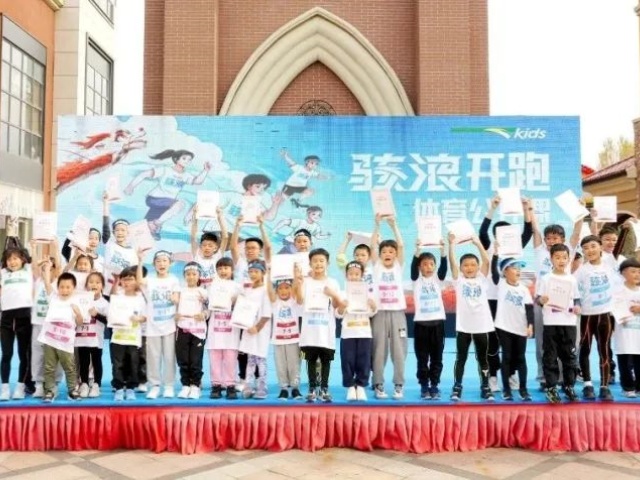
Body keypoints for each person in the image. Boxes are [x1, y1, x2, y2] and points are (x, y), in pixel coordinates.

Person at [479, 195, 533, 393]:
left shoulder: (514, 249)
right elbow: (482, 231)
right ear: (495, 235)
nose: (505, 235)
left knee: (515, 344)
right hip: (491, 300)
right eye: (500, 233)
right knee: (492, 342)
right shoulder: (489, 246)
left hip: (510, 303)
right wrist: (492, 208)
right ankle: (493, 375)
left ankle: (511, 375)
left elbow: (528, 231)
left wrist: (526, 208)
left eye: (508, 233)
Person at [531, 211, 582, 390]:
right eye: (548, 238)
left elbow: (577, 232)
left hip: (566, 304)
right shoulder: (540, 252)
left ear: (563, 240)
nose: (551, 241)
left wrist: (580, 211)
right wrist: (529, 209)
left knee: (568, 343)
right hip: (543, 302)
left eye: (555, 238)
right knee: (543, 342)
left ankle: (564, 377)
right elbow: (535, 230)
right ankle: (544, 377)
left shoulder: (567, 251)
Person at [124, 149, 211, 240]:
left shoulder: (186, 175)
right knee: (180, 204)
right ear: (176, 159)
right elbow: (144, 174)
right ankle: (157, 223)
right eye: (184, 158)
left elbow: (197, 181)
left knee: (149, 221)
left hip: (167, 203)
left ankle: (150, 229)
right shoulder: (166, 170)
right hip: (154, 198)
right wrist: (131, 186)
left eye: (189, 160)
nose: (187, 161)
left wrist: (205, 170)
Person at [448, 233, 495, 402]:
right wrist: (451, 244)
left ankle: (485, 387)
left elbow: (487, 261)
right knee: (461, 358)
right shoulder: (459, 281)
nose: (469, 268)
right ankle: (457, 386)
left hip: (481, 326)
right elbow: (452, 263)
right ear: (461, 268)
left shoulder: (482, 279)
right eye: (466, 265)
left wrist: (477, 243)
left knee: (482, 358)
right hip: (464, 327)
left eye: (473, 265)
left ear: (477, 267)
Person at [535, 244, 581, 403]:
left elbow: (577, 299)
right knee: (550, 356)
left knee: (570, 357)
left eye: (564, 257)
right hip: (551, 323)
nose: (561, 260)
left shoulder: (572, 279)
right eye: (558, 257)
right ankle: (551, 388)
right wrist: (541, 300)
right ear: (551, 259)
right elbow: (538, 299)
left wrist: (578, 307)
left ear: (569, 259)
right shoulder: (546, 278)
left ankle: (569, 386)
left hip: (569, 323)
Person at [295, 248, 342, 402]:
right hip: (309, 330)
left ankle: (324, 388)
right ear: (310, 263)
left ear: (327, 263)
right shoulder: (305, 281)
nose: (318, 263)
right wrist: (298, 284)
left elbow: (337, 306)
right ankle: (312, 388)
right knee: (310, 360)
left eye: (321, 261)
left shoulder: (332, 282)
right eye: (315, 261)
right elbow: (299, 301)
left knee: (326, 360)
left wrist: (333, 294)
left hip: (326, 330)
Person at [574, 235, 616, 401]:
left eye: (593, 246)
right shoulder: (581, 270)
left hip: (605, 315)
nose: (589, 250)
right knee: (585, 349)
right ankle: (587, 384)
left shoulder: (610, 265)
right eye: (585, 248)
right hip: (587, 316)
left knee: (604, 350)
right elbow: (573, 290)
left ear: (600, 247)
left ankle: (604, 386)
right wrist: (576, 304)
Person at [370, 214, 407, 400]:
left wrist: (394, 226)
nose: (388, 254)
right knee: (379, 349)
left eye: (391, 252)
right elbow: (372, 245)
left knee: (399, 349)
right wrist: (377, 224)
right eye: (384, 251)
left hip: (398, 313)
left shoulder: (398, 266)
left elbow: (401, 245)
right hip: (379, 313)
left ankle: (398, 385)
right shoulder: (377, 266)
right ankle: (378, 383)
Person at [137, 250, 180, 399]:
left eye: (164, 261)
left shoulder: (174, 279)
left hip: (169, 326)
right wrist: (140, 260)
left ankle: (169, 386)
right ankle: (154, 386)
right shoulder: (150, 279)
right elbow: (139, 281)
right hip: (152, 326)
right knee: (153, 357)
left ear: (170, 264)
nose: (162, 264)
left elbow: (177, 296)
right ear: (154, 264)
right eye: (158, 261)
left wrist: (175, 299)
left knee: (169, 357)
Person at [491, 255, 534, 401]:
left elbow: (529, 309)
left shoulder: (524, 289)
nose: (518, 271)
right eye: (514, 268)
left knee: (521, 358)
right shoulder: (501, 284)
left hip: (520, 328)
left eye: (519, 268)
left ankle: (523, 389)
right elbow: (494, 271)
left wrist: (530, 325)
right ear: (505, 271)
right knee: (507, 357)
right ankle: (507, 390)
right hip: (504, 327)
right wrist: (495, 254)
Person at [39, 271, 86, 402]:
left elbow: (80, 323)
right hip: (49, 340)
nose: (64, 290)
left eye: (68, 287)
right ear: (58, 287)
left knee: (69, 367)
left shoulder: (77, 303)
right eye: (62, 287)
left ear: (74, 288)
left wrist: (78, 314)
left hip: (65, 342)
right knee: (49, 367)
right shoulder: (53, 298)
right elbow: (47, 284)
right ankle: (50, 390)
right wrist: (47, 269)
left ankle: (72, 390)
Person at [410, 240, 447, 400]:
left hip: (438, 325)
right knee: (422, 358)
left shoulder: (437, 280)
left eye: (432, 264)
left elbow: (444, 269)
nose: (429, 267)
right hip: (421, 326)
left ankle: (434, 385)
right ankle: (424, 385)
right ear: (420, 267)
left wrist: (443, 250)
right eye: (425, 264)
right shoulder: (416, 281)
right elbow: (412, 268)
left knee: (437, 358)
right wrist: (418, 249)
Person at [335, 261, 377, 402]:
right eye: (350, 274)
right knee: (347, 360)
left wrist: (373, 306)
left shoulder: (368, 292)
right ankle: (350, 387)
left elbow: (371, 313)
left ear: (362, 275)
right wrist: (342, 307)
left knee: (364, 360)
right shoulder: (342, 293)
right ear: (346, 275)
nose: (353, 277)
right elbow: (338, 314)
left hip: (364, 332)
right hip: (348, 333)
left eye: (356, 274)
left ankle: (361, 386)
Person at [0, 246, 34, 400]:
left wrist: (34, 246)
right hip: (6, 317)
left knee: (23, 354)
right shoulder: (3, 273)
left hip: (24, 316)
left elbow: (35, 258)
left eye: (15, 258)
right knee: (6, 354)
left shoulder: (28, 270)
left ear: (22, 260)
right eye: (9, 259)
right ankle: (5, 388)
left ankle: (20, 386)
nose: (12, 262)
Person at [206, 257, 242, 399]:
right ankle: (216, 385)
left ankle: (230, 385)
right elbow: (206, 307)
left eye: (226, 268)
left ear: (232, 270)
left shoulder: (237, 287)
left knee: (230, 359)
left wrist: (236, 301)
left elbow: (243, 307)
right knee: (214, 359)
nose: (223, 271)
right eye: (220, 268)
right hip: (214, 330)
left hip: (231, 331)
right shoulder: (211, 286)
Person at [109, 266, 147, 401]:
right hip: (118, 337)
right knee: (117, 364)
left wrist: (139, 318)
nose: (127, 282)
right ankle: (119, 388)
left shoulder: (140, 298)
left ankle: (131, 388)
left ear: (136, 281)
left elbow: (145, 316)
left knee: (133, 364)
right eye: (124, 279)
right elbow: (112, 301)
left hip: (133, 337)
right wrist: (115, 281)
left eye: (130, 279)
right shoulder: (117, 296)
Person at [266, 272, 303, 401]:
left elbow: (298, 291)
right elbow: (269, 291)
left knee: (294, 364)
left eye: (287, 288)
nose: (283, 291)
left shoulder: (295, 302)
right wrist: (269, 273)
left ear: (291, 289)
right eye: (280, 288)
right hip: (278, 340)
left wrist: (296, 275)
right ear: (276, 290)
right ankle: (283, 388)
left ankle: (295, 388)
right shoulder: (275, 303)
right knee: (280, 365)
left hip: (294, 339)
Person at [239, 260, 272, 400]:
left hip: (260, 330)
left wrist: (257, 327)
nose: (253, 274)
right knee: (250, 358)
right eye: (251, 272)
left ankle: (262, 387)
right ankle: (248, 386)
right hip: (248, 329)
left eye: (256, 272)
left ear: (263, 273)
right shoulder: (248, 290)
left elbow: (267, 314)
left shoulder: (265, 290)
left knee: (260, 358)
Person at [31, 252, 63, 398]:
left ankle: (54, 384)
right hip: (38, 323)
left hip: (55, 325)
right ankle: (38, 384)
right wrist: (33, 248)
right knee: (38, 355)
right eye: (45, 267)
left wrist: (55, 245)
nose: (48, 269)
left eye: (51, 267)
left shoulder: (59, 283)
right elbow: (34, 267)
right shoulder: (37, 281)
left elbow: (60, 266)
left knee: (56, 355)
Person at [175, 262, 208, 400]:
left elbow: (209, 309)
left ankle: (195, 386)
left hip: (198, 330)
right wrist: (175, 315)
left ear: (199, 276)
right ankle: (185, 385)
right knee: (183, 359)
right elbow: (174, 307)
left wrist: (204, 314)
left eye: (194, 274)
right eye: (188, 274)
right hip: (183, 328)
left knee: (195, 359)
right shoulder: (180, 291)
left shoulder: (204, 292)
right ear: (184, 276)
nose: (191, 277)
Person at [76, 272, 108, 398]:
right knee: (83, 361)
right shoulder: (80, 301)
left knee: (96, 361)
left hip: (96, 339)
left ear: (102, 286)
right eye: (91, 282)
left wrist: (97, 315)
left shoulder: (104, 303)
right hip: (82, 337)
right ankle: (84, 383)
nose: (94, 284)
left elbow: (108, 321)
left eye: (98, 282)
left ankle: (96, 384)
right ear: (86, 285)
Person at [612, 258, 640, 397]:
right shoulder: (618, 291)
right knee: (624, 361)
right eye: (633, 271)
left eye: (639, 272)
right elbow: (614, 308)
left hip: (638, 334)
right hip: (624, 333)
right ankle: (628, 387)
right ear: (623, 273)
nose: (637, 275)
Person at [190, 206, 228, 287]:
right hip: (199, 291)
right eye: (204, 245)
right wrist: (195, 216)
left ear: (216, 248)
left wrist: (219, 217)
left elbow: (225, 237)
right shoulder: (197, 257)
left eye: (210, 245)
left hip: (215, 291)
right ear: (200, 247)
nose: (207, 247)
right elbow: (193, 237)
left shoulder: (218, 257)